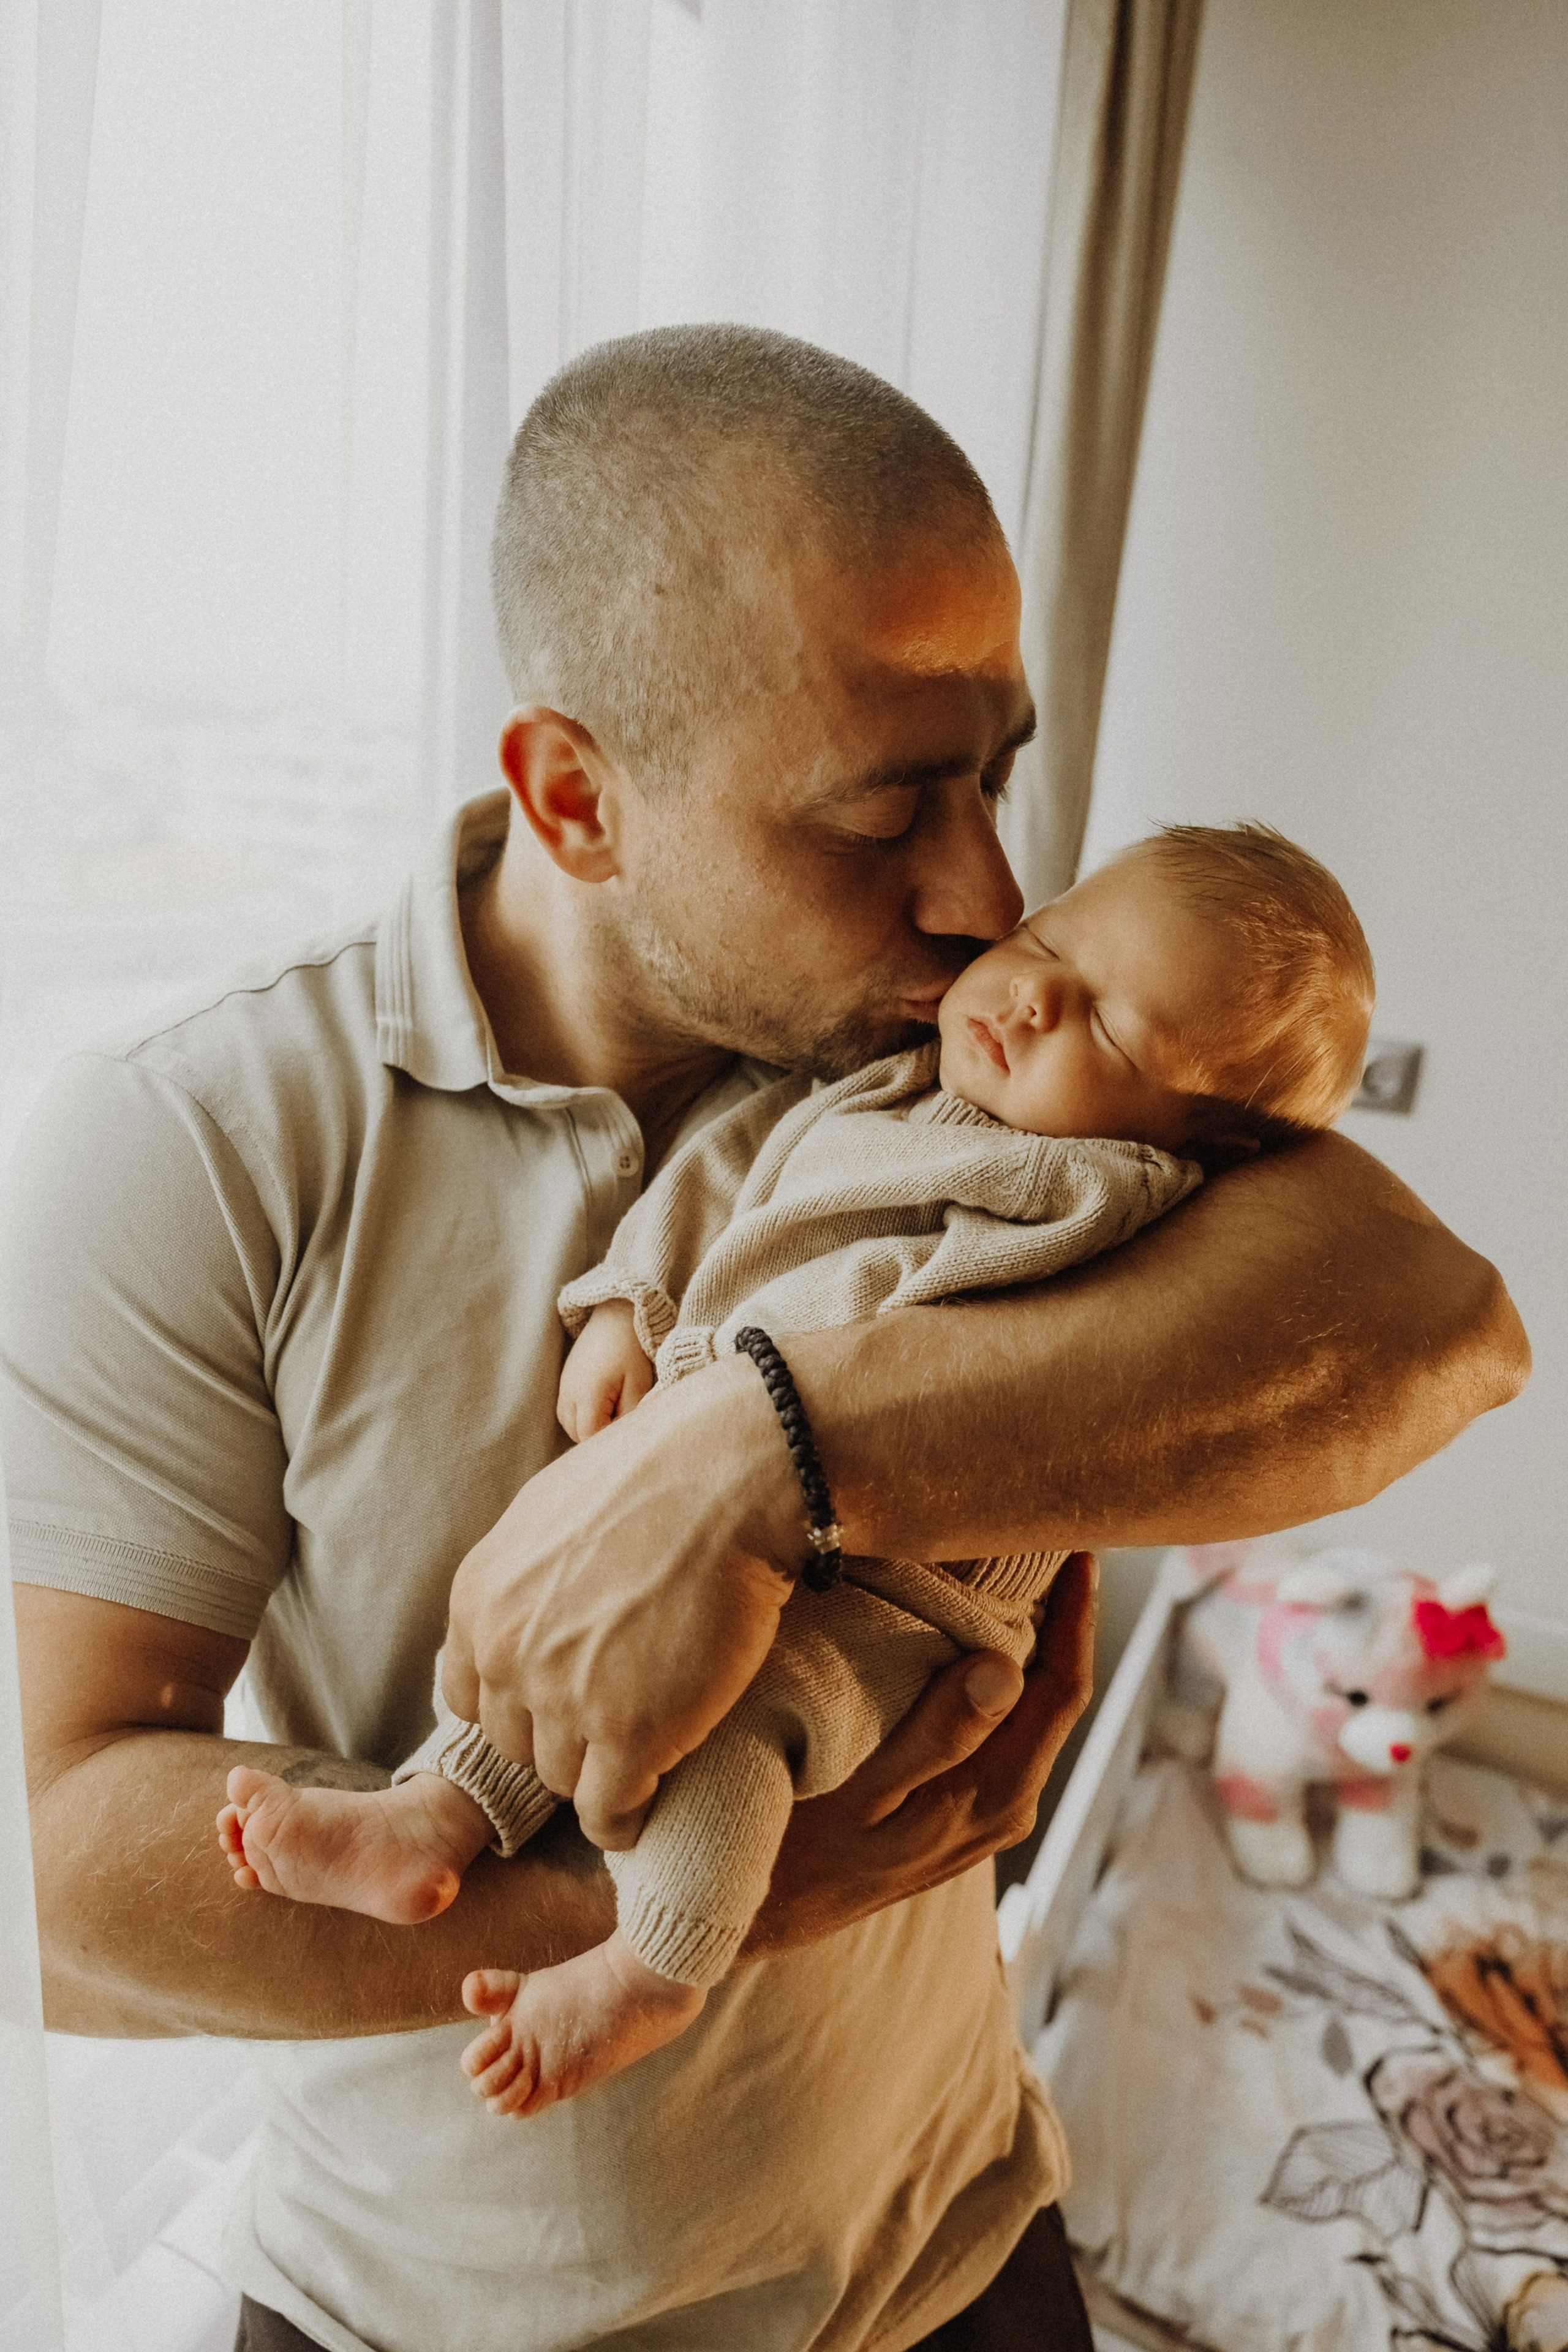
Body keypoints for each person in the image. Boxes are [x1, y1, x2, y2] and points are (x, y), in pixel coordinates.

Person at [4, 327, 1526, 2352]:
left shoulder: (966, 1065)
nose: (989, 891)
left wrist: (760, 1450)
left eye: (997, 772)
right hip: (441, 2321)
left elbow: (1434, 1322)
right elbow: (63, 1888)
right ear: (576, 798)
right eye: (885, 812)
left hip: (959, 2235)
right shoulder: (200, 1143)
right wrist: (700, 1908)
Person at [215, 821, 1374, 2123]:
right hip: (720, 1450)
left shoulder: (1116, 1199)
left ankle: (657, 1964)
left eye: (1106, 1028)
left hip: (896, 1588)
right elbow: (729, 1172)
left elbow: (1055, 1362)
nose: (1034, 998)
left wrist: (778, 1434)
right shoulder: (887, 1085)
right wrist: (634, 1300)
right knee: (569, 1646)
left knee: (740, 1722)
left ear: (1199, 1142)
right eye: (1050, 942)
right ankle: (432, 1817)